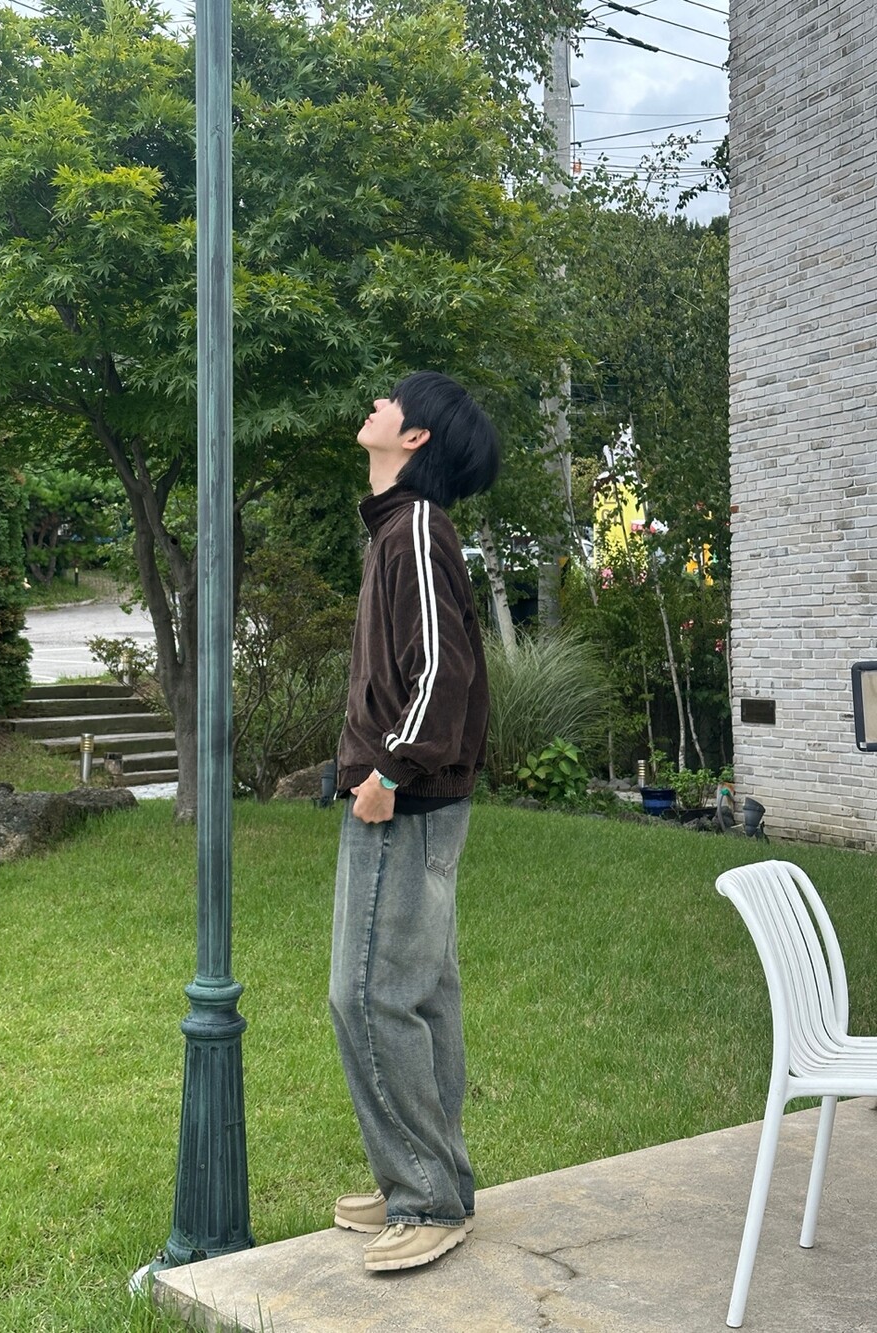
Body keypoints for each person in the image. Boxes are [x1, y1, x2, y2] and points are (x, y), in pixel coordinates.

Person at [328, 370, 500, 1273]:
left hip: (404, 798)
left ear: (417, 437)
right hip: (411, 795)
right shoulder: (400, 529)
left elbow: (443, 669)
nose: (377, 404)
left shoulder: (417, 528)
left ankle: (426, 1198)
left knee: (368, 995)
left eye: (392, 400)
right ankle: (431, 1179)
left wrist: (388, 770)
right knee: (422, 993)